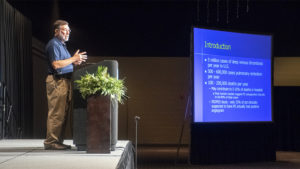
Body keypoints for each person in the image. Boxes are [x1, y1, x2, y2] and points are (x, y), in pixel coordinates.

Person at [44, 20, 87, 150]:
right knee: (57, 113)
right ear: (56, 31)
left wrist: (73, 62)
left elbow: (65, 63)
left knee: (62, 113)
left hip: (65, 81)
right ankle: (51, 142)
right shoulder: (53, 44)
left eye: (69, 30)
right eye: (64, 30)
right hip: (57, 81)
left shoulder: (62, 45)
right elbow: (56, 65)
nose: (68, 32)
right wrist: (73, 59)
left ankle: (57, 141)